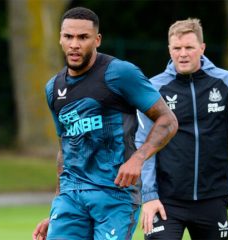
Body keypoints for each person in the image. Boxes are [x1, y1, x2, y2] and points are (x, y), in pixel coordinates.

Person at [32, 7, 178, 240]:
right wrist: (57, 208)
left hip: (114, 195)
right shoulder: (53, 88)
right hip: (71, 197)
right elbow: (65, 149)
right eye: (68, 37)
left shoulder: (120, 73)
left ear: (97, 40)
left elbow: (168, 121)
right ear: (60, 38)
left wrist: (138, 159)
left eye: (83, 37)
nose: (74, 44)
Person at [136, 18, 228, 240]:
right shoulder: (154, 89)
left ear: (202, 48)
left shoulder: (227, 82)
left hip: (213, 197)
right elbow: (143, 144)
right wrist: (149, 195)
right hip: (166, 199)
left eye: (189, 47)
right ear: (169, 49)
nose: (183, 54)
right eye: (177, 48)